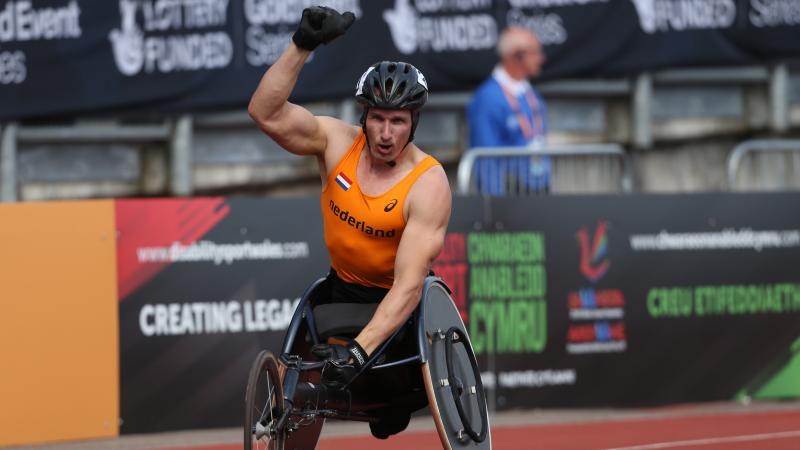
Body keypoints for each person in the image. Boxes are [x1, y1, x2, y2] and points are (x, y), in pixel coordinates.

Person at [248, 6, 451, 439]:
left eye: (397, 121)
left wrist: (360, 353)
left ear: (414, 122)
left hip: (397, 309)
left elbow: (409, 287)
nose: (385, 133)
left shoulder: (428, 183)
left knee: (387, 415)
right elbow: (265, 113)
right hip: (340, 291)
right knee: (307, 375)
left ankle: (387, 400)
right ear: (363, 117)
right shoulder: (336, 142)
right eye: (377, 118)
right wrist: (301, 44)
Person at [466, 26, 549, 195]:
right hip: (510, 196)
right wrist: (495, 207)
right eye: (535, 52)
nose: (541, 59)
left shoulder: (531, 93)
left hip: (539, 189)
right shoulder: (488, 98)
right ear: (517, 55)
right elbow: (485, 156)